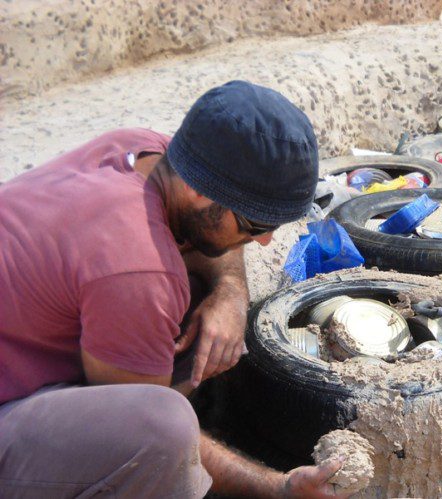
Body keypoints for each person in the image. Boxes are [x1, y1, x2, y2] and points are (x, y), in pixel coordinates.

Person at [0, 81, 348, 498]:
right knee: (165, 429)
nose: (264, 242)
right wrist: (277, 486)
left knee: (199, 284)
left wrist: (230, 292)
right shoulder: (137, 268)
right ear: (198, 188)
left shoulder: (143, 150)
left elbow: (206, 235)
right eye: (254, 226)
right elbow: (147, 433)